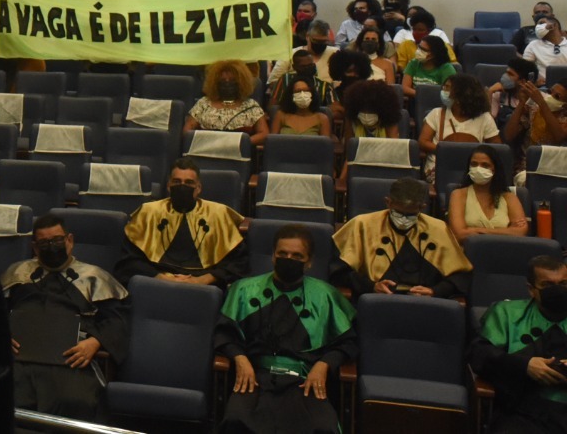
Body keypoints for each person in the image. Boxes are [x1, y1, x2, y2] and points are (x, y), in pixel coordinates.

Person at [216, 225, 356, 434]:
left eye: (297, 256)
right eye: (282, 254)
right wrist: (240, 358)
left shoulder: (325, 295)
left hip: (304, 380)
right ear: (273, 256)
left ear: (309, 262)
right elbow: (224, 333)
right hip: (255, 376)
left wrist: (324, 365)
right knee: (236, 419)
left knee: (323, 427)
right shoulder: (244, 289)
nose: (288, 259)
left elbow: (348, 342)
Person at [3, 214, 129, 421]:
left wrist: (95, 342)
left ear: (69, 240)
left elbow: (117, 320)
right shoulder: (17, 273)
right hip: (19, 359)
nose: (51, 247)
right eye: (44, 243)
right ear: (35, 248)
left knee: (74, 401)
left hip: (70, 362)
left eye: (57, 240)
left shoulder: (94, 277)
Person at [114, 157, 248, 288]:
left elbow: (237, 262)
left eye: (189, 183)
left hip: (204, 285)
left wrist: (202, 280)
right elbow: (129, 261)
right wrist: (162, 278)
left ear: (198, 188)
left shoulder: (218, 214)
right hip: (156, 281)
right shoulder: (148, 212)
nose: (182, 186)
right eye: (177, 182)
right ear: (168, 186)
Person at [471, 255, 567, 434]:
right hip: (522, 411)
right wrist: (525, 365)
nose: (557, 290)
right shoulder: (507, 313)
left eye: (563, 284)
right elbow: (479, 354)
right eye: (547, 285)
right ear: (531, 289)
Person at [332, 177, 472, 299]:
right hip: (377, 299)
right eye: (399, 213)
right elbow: (338, 272)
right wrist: (371, 286)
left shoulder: (438, 229)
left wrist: (434, 291)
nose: (404, 220)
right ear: (388, 202)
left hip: (425, 303)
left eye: (410, 215)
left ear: (422, 207)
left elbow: (460, 276)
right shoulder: (362, 225)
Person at [419, 74, 500, 183]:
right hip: (438, 168)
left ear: (462, 94)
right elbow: (423, 142)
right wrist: (450, 151)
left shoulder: (485, 118)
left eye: (448, 88)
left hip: (475, 169)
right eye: (444, 87)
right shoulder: (436, 114)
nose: (443, 91)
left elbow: (497, 148)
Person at [447, 146, 529, 243]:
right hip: (468, 250)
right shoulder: (458, 195)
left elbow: (520, 232)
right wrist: (507, 231)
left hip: (504, 250)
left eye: (485, 165)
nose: (478, 169)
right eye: (474, 164)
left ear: (495, 169)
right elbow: (459, 234)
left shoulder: (509, 197)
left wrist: (476, 230)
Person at [185, 59, 268, 148]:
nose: (227, 84)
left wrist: (240, 143)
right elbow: (187, 131)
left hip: (239, 151)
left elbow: (264, 134)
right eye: (223, 81)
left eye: (232, 81)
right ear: (215, 83)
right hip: (207, 150)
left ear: (241, 83)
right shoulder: (203, 103)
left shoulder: (251, 106)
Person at [268, 20, 335, 91]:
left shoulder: (335, 53)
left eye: (324, 41)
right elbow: (272, 83)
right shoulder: (289, 55)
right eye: (316, 41)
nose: (320, 44)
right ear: (307, 36)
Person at [339, 79, 402, 144]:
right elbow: (349, 146)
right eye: (363, 110)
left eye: (371, 110)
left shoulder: (389, 120)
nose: (366, 114)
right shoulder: (352, 119)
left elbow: (394, 146)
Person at [402, 33, 458, 100]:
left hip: (437, 102)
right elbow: (404, 88)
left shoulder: (446, 68)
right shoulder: (413, 63)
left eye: (423, 50)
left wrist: (429, 96)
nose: (419, 51)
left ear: (433, 54)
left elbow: (449, 92)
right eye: (419, 47)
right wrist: (423, 95)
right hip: (416, 101)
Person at [523, 14, 567, 85]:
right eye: (537, 25)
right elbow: (525, 68)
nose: (538, 27)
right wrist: (535, 79)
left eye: (541, 23)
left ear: (553, 26)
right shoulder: (533, 45)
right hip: (543, 86)